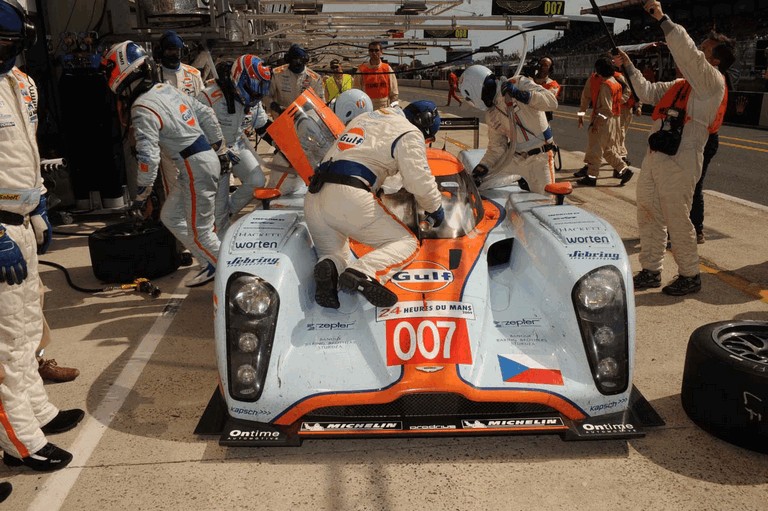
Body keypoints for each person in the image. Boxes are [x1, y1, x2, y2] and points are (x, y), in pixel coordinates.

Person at [0, 0, 84, 472]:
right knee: (7, 343)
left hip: (21, 219)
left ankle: (38, 413)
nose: (10, 52)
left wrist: (39, 206)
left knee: (29, 331)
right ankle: (22, 444)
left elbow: (23, 155)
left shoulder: (19, 83)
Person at [615, 0, 733, 296]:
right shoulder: (681, 85)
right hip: (657, 155)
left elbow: (688, 54)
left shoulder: (712, 82)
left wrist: (664, 21)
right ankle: (651, 270)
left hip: (683, 156)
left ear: (715, 61)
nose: (700, 54)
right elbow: (646, 91)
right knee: (648, 211)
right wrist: (628, 65)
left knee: (676, 216)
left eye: (705, 50)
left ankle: (690, 274)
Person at [102, 41, 226, 288]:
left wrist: (141, 194)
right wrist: (220, 148)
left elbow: (148, 159)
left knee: (202, 232)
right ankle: (210, 263)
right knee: (170, 215)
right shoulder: (166, 90)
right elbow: (206, 114)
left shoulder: (141, 108)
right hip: (201, 161)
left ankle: (239, 276)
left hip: (193, 166)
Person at [305, 100, 444, 309]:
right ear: (423, 124)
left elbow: (380, 174)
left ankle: (330, 268)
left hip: (314, 197)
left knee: (337, 256)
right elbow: (418, 181)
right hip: (348, 195)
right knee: (407, 243)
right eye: (427, 137)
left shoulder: (366, 118)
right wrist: (435, 207)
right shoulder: (409, 132)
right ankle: (365, 272)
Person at [199, 55, 271, 236]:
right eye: (253, 89)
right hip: (213, 152)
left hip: (237, 144)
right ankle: (219, 236)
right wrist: (216, 151)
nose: (256, 94)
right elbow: (193, 132)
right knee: (218, 209)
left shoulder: (253, 102)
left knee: (257, 181)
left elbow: (262, 126)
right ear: (240, 78)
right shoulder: (209, 97)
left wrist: (283, 146)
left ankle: (227, 211)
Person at [459, 64, 558, 195]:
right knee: (476, 184)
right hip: (515, 159)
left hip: (540, 158)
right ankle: (518, 177)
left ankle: (522, 178)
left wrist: (521, 95)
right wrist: (483, 167)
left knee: (548, 202)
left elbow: (552, 102)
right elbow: (496, 148)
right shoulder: (491, 114)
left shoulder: (518, 83)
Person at [265, 44, 324, 195]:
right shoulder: (277, 73)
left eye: (300, 61)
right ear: (288, 60)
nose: (297, 64)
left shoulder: (314, 78)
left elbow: (320, 104)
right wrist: (274, 106)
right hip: (282, 124)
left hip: (305, 124)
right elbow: (266, 95)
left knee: (306, 160)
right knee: (283, 159)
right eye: (294, 61)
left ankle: (306, 189)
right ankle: (276, 189)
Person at [155, 31, 206, 198]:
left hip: (194, 138)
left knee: (198, 184)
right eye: (169, 50)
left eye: (176, 50)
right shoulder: (154, 76)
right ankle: (175, 222)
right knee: (174, 189)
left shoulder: (193, 74)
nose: (174, 54)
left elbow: (204, 106)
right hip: (167, 142)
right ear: (161, 52)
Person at [574, 57, 633, 187]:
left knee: (595, 150)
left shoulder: (605, 84)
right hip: (615, 120)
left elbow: (604, 109)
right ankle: (624, 170)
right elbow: (586, 99)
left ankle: (591, 177)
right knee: (608, 150)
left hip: (603, 120)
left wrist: (596, 122)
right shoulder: (616, 81)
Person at [353, 41, 399, 110]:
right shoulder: (361, 70)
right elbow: (356, 92)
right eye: (371, 50)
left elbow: (394, 92)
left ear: (381, 52)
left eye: (376, 50)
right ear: (369, 52)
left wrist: (394, 108)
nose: (374, 53)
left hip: (384, 107)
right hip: (367, 107)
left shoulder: (387, 68)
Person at [533, 56, 560, 122]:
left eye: (545, 65)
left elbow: (546, 100)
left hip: (543, 120)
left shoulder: (554, 85)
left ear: (550, 68)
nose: (542, 67)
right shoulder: (529, 80)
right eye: (540, 64)